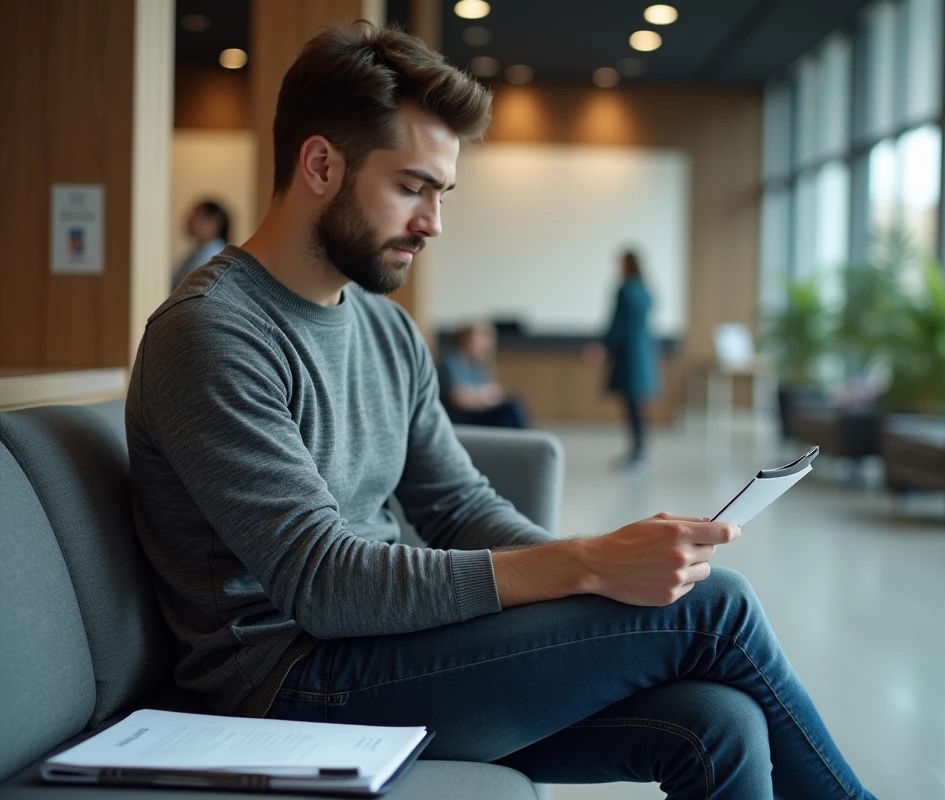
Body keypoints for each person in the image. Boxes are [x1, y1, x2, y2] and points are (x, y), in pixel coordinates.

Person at [125, 21, 877, 800]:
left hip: (379, 650)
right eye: (411, 187)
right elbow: (323, 582)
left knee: (719, 722)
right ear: (320, 164)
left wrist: (598, 574)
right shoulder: (212, 333)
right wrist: (583, 564)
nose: (433, 222)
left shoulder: (383, 326)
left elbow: (455, 505)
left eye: (442, 193)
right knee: (715, 609)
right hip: (285, 684)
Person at [587, 250, 660, 470]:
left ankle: (637, 454)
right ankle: (639, 451)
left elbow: (618, 325)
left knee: (632, 406)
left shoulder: (625, 290)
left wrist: (603, 345)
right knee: (638, 405)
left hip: (629, 355)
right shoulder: (646, 291)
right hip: (644, 352)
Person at [438, 320, 530, 428]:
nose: (488, 344)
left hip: (477, 411)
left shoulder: (479, 365)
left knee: (513, 402)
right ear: (467, 339)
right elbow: (459, 398)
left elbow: (493, 393)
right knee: (509, 409)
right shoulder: (453, 360)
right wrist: (485, 396)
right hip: (458, 417)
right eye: (483, 338)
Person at [171, 200, 230, 290]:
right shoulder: (197, 252)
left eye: (196, 216)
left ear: (214, 221)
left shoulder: (214, 256)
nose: (190, 221)